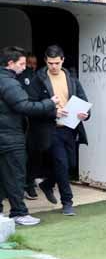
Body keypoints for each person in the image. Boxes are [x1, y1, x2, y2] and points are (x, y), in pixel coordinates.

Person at [0, 46, 62, 226]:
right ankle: (19, 212)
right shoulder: (10, 83)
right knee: (16, 175)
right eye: (21, 64)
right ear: (10, 64)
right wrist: (49, 104)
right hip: (10, 137)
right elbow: (25, 107)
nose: (24, 67)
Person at [29, 45, 90, 216]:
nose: (53, 66)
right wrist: (53, 111)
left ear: (62, 60)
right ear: (45, 61)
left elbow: (84, 100)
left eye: (56, 63)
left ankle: (47, 184)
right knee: (62, 165)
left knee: (70, 165)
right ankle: (67, 202)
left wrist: (85, 114)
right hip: (51, 129)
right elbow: (31, 105)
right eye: (50, 63)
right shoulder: (38, 79)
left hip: (70, 128)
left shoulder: (71, 78)